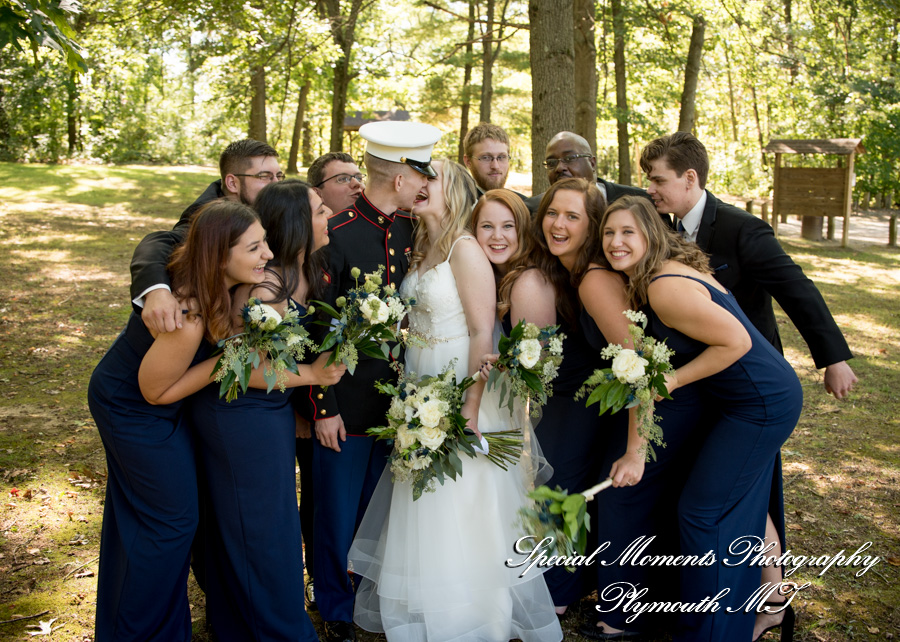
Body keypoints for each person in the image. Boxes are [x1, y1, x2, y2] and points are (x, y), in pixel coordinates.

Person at [639, 132, 856, 640]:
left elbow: (796, 288)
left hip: (748, 385)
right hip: (706, 384)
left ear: (690, 178)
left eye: (658, 180)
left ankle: (771, 597)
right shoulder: (664, 226)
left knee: (749, 494)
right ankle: (761, 594)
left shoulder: (741, 228)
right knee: (736, 492)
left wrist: (833, 358)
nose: (650, 188)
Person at [348, 160, 562, 642]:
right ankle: (426, 608)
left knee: (464, 501)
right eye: (418, 179)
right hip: (422, 384)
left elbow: (482, 331)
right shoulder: (420, 245)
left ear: (456, 191)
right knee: (425, 497)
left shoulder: (466, 250)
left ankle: (474, 618)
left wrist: (466, 410)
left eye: (432, 179)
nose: (421, 187)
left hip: (462, 388)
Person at [601, 196, 803, 642]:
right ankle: (761, 609)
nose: (616, 242)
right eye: (609, 233)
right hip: (742, 402)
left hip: (759, 404)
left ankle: (711, 632)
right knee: (729, 510)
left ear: (651, 234)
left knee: (703, 515)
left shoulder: (662, 286)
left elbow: (737, 342)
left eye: (627, 232)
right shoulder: (659, 272)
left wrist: (671, 381)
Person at [87, 201, 274, 641]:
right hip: (130, 407)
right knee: (171, 523)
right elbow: (155, 391)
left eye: (264, 241)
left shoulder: (225, 289)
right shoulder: (188, 315)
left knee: (157, 519)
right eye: (255, 247)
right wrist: (226, 359)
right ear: (219, 255)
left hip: (160, 404)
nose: (267, 254)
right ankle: (139, 632)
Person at [188, 180, 346, 642]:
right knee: (264, 534)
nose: (328, 217)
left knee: (266, 527)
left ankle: (243, 626)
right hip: (241, 417)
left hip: (267, 413)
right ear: (299, 222)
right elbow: (246, 368)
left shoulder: (296, 272)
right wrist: (313, 376)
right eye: (319, 211)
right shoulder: (265, 285)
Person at [311, 121, 441, 642]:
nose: (425, 183)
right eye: (421, 173)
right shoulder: (338, 234)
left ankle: (369, 596)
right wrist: (323, 407)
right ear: (400, 175)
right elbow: (317, 327)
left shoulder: (417, 229)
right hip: (347, 403)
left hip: (402, 403)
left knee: (381, 512)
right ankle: (337, 608)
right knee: (337, 514)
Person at [531, 178, 633, 620]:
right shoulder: (561, 268)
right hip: (573, 395)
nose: (558, 223)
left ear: (592, 225)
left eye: (572, 216)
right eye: (553, 213)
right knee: (555, 485)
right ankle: (565, 582)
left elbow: (634, 359)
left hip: (597, 400)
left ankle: (559, 591)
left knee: (559, 487)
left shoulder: (594, 274)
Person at [130, 139, 283, 335]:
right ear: (232, 183)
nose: (276, 184)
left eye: (279, 176)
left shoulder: (267, 206)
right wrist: (156, 292)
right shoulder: (206, 218)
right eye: (265, 177)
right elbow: (158, 243)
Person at [526, 131, 648, 214]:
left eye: (569, 158)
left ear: (592, 163)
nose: (559, 167)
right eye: (552, 162)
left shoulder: (641, 201)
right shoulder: (532, 209)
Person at [462, 122, 526, 200]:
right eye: (486, 158)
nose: (495, 166)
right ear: (468, 161)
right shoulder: (458, 207)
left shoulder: (524, 205)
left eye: (501, 157)